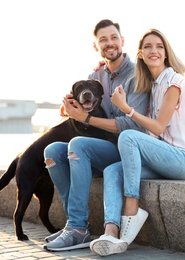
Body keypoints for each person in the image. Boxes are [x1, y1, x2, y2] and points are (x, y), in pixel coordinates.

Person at [89, 28, 185, 256]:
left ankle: (132, 206)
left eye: (159, 47)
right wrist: (100, 65)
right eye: (148, 47)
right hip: (163, 157)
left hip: (184, 160)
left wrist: (126, 109)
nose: (154, 51)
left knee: (128, 136)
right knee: (112, 171)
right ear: (140, 53)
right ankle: (110, 232)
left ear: (166, 52)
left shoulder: (173, 81)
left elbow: (158, 126)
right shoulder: (152, 83)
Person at [42, 19, 149, 251]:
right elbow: (84, 103)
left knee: (78, 145)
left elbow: (133, 125)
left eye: (113, 38)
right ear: (96, 46)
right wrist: (71, 108)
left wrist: (86, 119)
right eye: (103, 39)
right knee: (52, 151)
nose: (109, 43)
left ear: (122, 41)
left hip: (125, 151)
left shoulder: (137, 75)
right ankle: (75, 224)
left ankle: (79, 228)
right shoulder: (96, 74)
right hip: (99, 149)